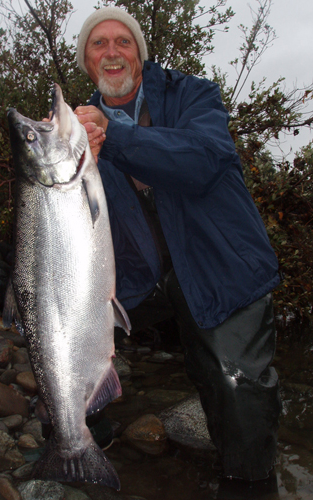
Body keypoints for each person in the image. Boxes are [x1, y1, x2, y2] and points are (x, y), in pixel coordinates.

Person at [74, 7, 282, 482]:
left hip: (221, 264)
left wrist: (117, 137)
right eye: (98, 44)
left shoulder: (194, 95)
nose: (111, 53)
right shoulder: (76, 130)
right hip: (140, 278)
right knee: (50, 331)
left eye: (123, 42)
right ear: (87, 61)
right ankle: (87, 431)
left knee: (237, 387)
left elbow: (204, 160)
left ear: (140, 55)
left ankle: (251, 485)